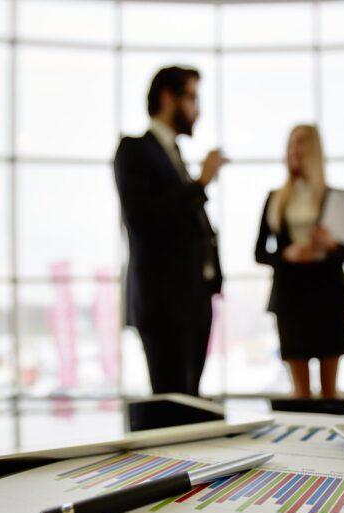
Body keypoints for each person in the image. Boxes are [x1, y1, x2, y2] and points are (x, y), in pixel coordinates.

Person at [113, 66, 227, 396]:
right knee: (174, 405)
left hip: (194, 299)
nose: (197, 109)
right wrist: (201, 183)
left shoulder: (172, 153)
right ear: (167, 98)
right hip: (164, 303)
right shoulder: (134, 150)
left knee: (190, 401)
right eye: (191, 97)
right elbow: (142, 219)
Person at [255, 125, 344, 399]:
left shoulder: (334, 198)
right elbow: (259, 252)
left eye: (301, 142)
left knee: (330, 392)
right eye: (290, 143)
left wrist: (331, 245)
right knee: (299, 393)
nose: (294, 149)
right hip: (291, 298)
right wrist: (287, 255)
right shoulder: (275, 199)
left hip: (328, 296)